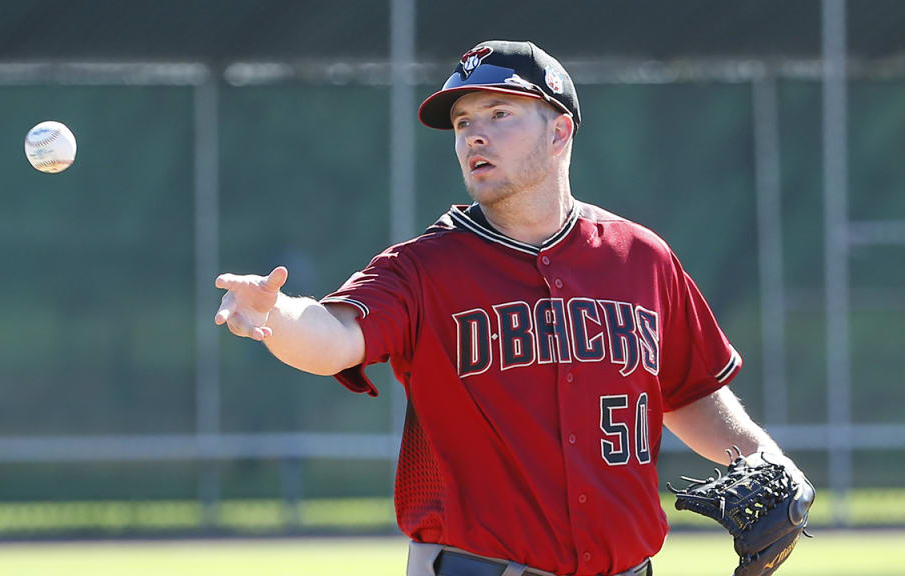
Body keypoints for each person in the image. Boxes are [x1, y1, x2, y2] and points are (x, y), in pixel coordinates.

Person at [215, 40, 813, 576]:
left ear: (560, 132)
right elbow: (335, 337)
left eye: (500, 114)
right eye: (463, 122)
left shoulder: (643, 259)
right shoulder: (423, 268)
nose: (474, 134)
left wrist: (766, 458)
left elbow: (688, 390)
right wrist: (277, 317)